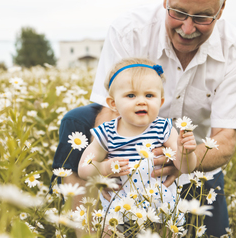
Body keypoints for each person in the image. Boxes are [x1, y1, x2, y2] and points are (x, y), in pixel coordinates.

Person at [52, 0, 236, 237]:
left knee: (209, 232)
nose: (187, 28)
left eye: (202, 18)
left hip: (194, 162)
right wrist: (110, 174)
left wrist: (180, 161)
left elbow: (225, 140)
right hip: (128, 160)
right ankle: (81, 222)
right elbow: (109, 112)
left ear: (221, 9)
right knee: (76, 120)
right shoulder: (129, 31)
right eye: (179, 12)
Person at [77, 57, 197, 217]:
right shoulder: (106, 133)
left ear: (160, 102)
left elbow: (186, 168)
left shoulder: (164, 129)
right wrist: (104, 168)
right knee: (107, 232)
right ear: (113, 104)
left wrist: (185, 153)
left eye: (149, 95)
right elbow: (83, 169)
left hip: (159, 204)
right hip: (119, 206)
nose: (141, 101)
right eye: (131, 95)